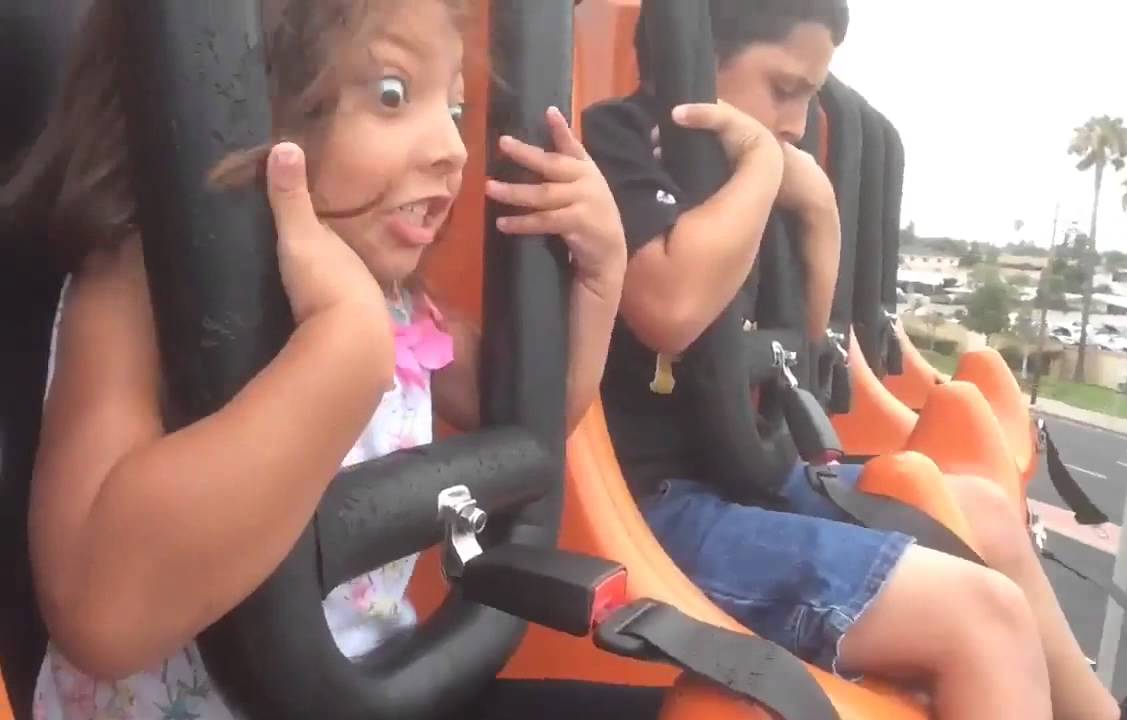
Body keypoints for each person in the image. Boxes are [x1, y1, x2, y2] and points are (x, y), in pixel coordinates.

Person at [0, 1, 663, 718]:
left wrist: (598, 284)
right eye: (391, 94)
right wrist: (340, 357)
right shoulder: (141, 286)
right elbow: (101, 611)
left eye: (455, 103)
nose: (453, 145)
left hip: (378, 692)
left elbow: (529, 428)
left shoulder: (392, 301)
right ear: (246, 99)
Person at [583, 1, 1127, 718]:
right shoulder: (621, 138)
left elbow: (809, 350)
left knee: (988, 516)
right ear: (696, 60)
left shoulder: (758, 181)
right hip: (658, 502)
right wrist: (761, 165)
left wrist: (817, 209)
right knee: (986, 621)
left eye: (809, 97)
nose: (794, 123)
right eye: (782, 89)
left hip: (750, 476)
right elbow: (668, 310)